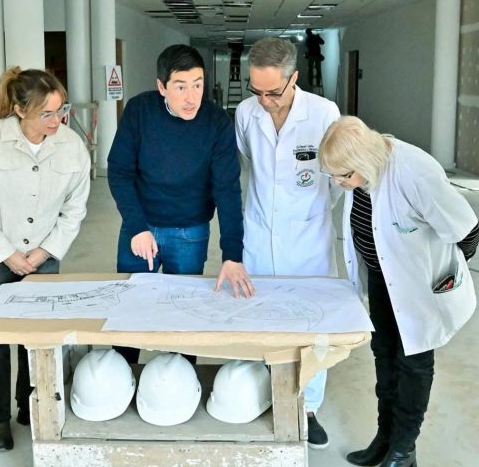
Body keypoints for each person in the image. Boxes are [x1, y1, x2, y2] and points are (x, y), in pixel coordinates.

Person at [319, 116, 478, 467]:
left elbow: (467, 230)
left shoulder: (414, 171)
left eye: (342, 176)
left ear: (362, 161)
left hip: (420, 286)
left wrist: (446, 276)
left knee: (414, 362)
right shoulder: (362, 175)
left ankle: (404, 450)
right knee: (384, 354)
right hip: (382, 277)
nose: (338, 183)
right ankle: (385, 438)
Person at [0, 67, 90, 452]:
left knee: (36, 337)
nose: (57, 120)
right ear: (19, 110)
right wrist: (7, 254)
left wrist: (45, 251)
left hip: (44, 255)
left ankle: (27, 406)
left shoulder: (71, 146)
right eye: (46, 113)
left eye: (61, 110)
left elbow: (75, 208)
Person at [108, 44, 251, 364]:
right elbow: (119, 172)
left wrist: (232, 255)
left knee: (185, 311)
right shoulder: (139, 111)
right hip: (140, 226)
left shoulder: (216, 123)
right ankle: (121, 374)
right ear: (162, 87)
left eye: (198, 85)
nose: (191, 97)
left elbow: (228, 191)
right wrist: (136, 226)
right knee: (131, 306)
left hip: (190, 231)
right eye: (181, 87)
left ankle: (181, 378)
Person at [231, 37, 341, 449]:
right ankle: (264, 395)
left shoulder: (324, 113)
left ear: (294, 78)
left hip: (309, 237)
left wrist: (310, 213)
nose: (265, 101)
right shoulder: (246, 113)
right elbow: (248, 163)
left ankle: (308, 407)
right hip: (260, 232)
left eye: (273, 92)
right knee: (259, 317)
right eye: (256, 91)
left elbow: (337, 178)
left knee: (311, 324)